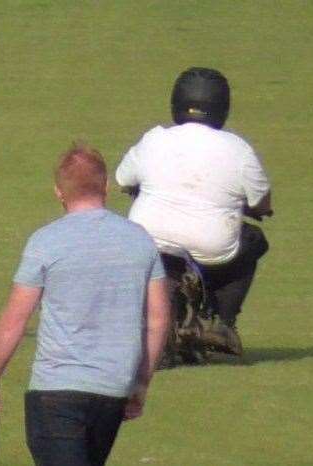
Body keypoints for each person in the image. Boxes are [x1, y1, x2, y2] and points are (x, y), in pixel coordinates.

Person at [0, 143, 171, 466]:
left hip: (56, 393)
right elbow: (159, 320)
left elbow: (14, 321)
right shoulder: (139, 240)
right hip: (112, 390)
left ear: (59, 193)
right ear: (105, 186)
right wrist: (140, 383)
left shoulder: (45, 242)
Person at [115, 67, 272, 355]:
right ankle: (223, 323)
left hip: (148, 238)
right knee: (253, 240)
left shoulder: (155, 138)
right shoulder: (238, 149)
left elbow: (123, 179)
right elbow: (261, 200)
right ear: (223, 108)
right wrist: (257, 208)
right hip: (213, 247)